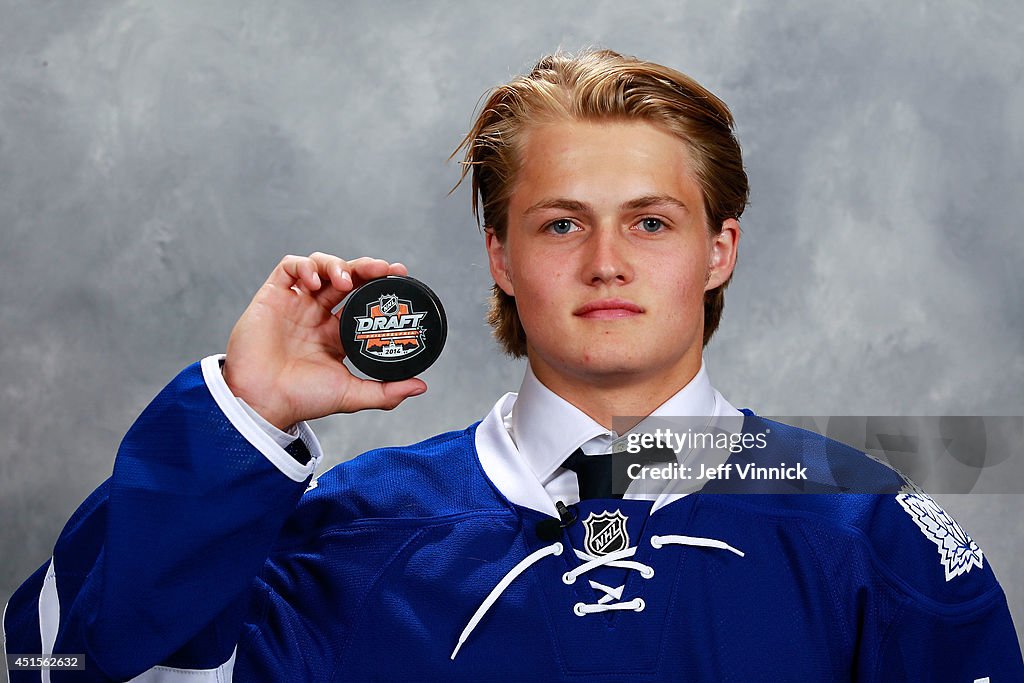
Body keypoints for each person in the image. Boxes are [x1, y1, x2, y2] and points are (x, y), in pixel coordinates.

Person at [4, 49, 1022, 681]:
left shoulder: (868, 533)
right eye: (560, 221)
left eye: (651, 221)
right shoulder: (342, 537)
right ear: (500, 252)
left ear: (719, 248)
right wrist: (243, 414)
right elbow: (59, 667)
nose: (606, 260)